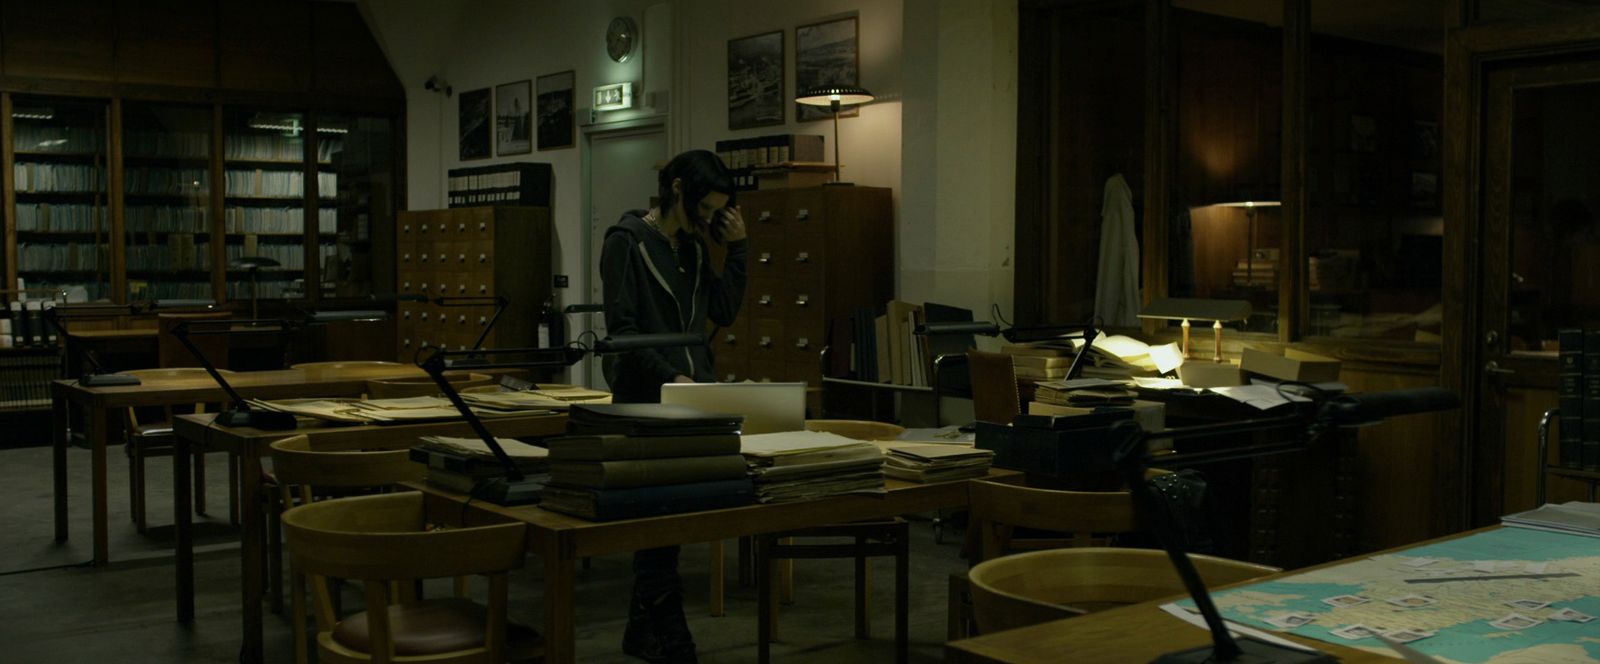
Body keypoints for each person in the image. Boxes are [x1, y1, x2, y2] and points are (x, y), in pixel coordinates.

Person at [599, 149, 747, 663]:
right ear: (677, 189)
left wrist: (739, 247)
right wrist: (673, 376)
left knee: (670, 523)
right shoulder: (626, 244)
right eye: (705, 207)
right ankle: (673, 639)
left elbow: (724, 309)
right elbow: (625, 333)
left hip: (690, 398)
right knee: (658, 520)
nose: (709, 219)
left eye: (718, 212)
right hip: (647, 400)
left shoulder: (695, 250)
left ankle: (643, 631)